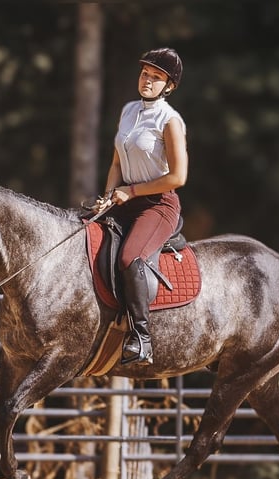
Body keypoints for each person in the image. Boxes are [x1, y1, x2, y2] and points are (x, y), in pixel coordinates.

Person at [103, 47, 188, 365]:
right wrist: (109, 194)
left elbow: (178, 177)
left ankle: (142, 338)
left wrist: (133, 190)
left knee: (130, 257)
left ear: (169, 86)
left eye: (156, 77)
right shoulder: (127, 111)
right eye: (144, 74)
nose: (147, 81)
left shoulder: (170, 120)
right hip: (124, 198)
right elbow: (115, 163)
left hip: (158, 204)